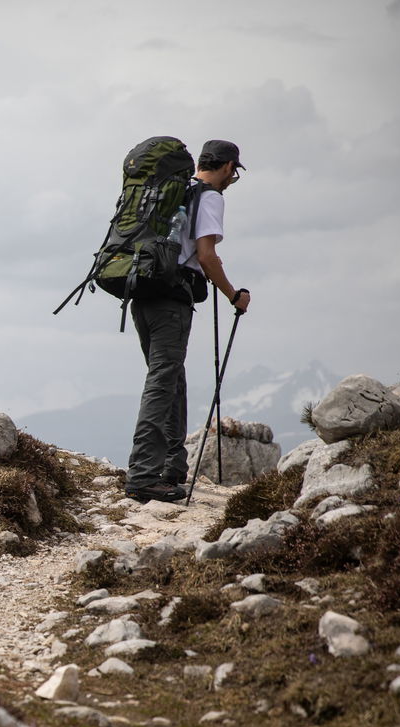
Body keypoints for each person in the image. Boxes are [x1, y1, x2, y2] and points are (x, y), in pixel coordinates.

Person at [124, 139, 251, 503]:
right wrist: (233, 295)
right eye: (234, 174)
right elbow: (207, 256)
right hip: (171, 298)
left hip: (141, 292)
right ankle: (143, 475)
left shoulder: (176, 191)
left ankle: (172, 467)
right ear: (228, 167)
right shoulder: (209, 197)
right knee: (163, 382)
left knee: (171, 378)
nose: (231, 180)